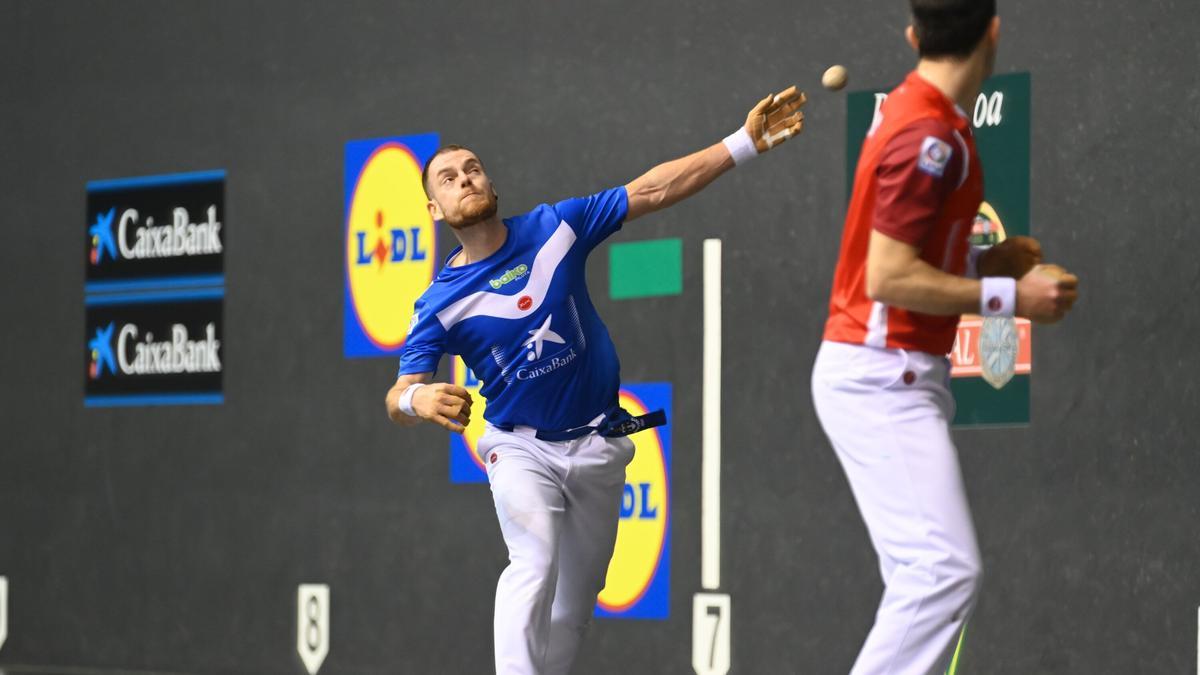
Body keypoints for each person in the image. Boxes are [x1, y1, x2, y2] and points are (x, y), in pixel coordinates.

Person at [385, 86, 805, 674]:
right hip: (518, 445)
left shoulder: (556, 227)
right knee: (531, 564)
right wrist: (416, 395)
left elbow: (651, 190)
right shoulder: (438, 303)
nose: (465, 179)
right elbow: (397, 396)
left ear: (491, 183)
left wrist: (742, 144)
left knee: (574, 609)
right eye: (449, 178)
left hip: (598, 443)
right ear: (435, 210)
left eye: (473, 169)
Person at [810, 1, 1079, 673]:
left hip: (894, 373)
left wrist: (989, 262)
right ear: (994, 31)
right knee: (944, 571)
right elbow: (889, 276)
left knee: (923, 575)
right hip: (877, 374)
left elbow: (911, 259)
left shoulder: (935, 123)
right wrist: (1010, 297)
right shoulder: (924, 136)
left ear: (913, 36)